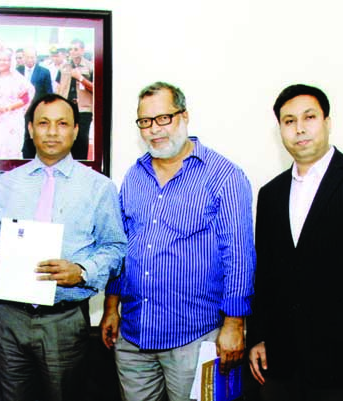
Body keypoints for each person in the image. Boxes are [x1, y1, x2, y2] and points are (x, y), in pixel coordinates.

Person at [0, 93, 126, 401]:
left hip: (64, 318)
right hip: (10, 317)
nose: (52, 131)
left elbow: (115, 248)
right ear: (30, 129)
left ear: (75, 130)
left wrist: (83, 272)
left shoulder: (99, 187)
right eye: (43, 123)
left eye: (62, 124)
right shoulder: (8, 183)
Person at [100, 81, 256, 401]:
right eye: (145, 121)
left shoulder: (224, 176)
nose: (154, 130)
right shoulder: (134, 175)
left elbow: (239, 255)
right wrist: (111, 307)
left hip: (194, 337)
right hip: (133, 336)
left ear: (184, 116)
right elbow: (123, 245)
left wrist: (234, 326)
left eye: (163, 118)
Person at [247, 84, 343, 401]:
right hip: (283, 363)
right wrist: (257, 337)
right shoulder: (271, 194)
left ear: (326, 121)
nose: (299, 128)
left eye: (309, 117)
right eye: (288, 121)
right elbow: (266, 274)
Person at [57, 39, 94, 160]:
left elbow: (96, 88)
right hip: (66, 109)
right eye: (71, 49)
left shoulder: (90, 67)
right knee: (65, 139)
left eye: (76, 49)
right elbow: (59, 87)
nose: (73, 52)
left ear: (82, 50)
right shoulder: (64, 67)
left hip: (83, 109)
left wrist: (81, 78)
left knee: (81, 141)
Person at [17, 47, 53, 158]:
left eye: (32, 57)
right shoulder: (17, 71)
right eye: (27, 57)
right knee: (23, 135)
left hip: (38, 111)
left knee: (36, 135)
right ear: (23, 58)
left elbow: (48, 93)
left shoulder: (44, 72)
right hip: (20, 110)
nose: (30, 60)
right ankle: (25, 158)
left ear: (36, 58)